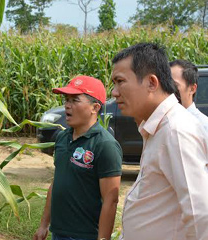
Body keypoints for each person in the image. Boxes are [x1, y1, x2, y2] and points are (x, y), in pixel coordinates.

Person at [111, 43, 208, 240]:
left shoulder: (176, 131)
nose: (114, 92)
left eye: (120, 81)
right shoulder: (158, 128)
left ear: (152, 83)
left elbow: (200, 216)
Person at [33, 76, 123, 240]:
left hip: (85, 235)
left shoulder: (105, 145)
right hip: (58, 233)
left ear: (94, 108)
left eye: (75, 100)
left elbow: (111, 200)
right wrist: (44, 225)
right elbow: (57, 182)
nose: (67, 105)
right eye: (66, 99)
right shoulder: (62, 138)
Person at [170, 59, 208, 132]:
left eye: (174, 85)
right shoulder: (161, 123)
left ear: (192, 89)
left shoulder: (203, 126)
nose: (167, 89)